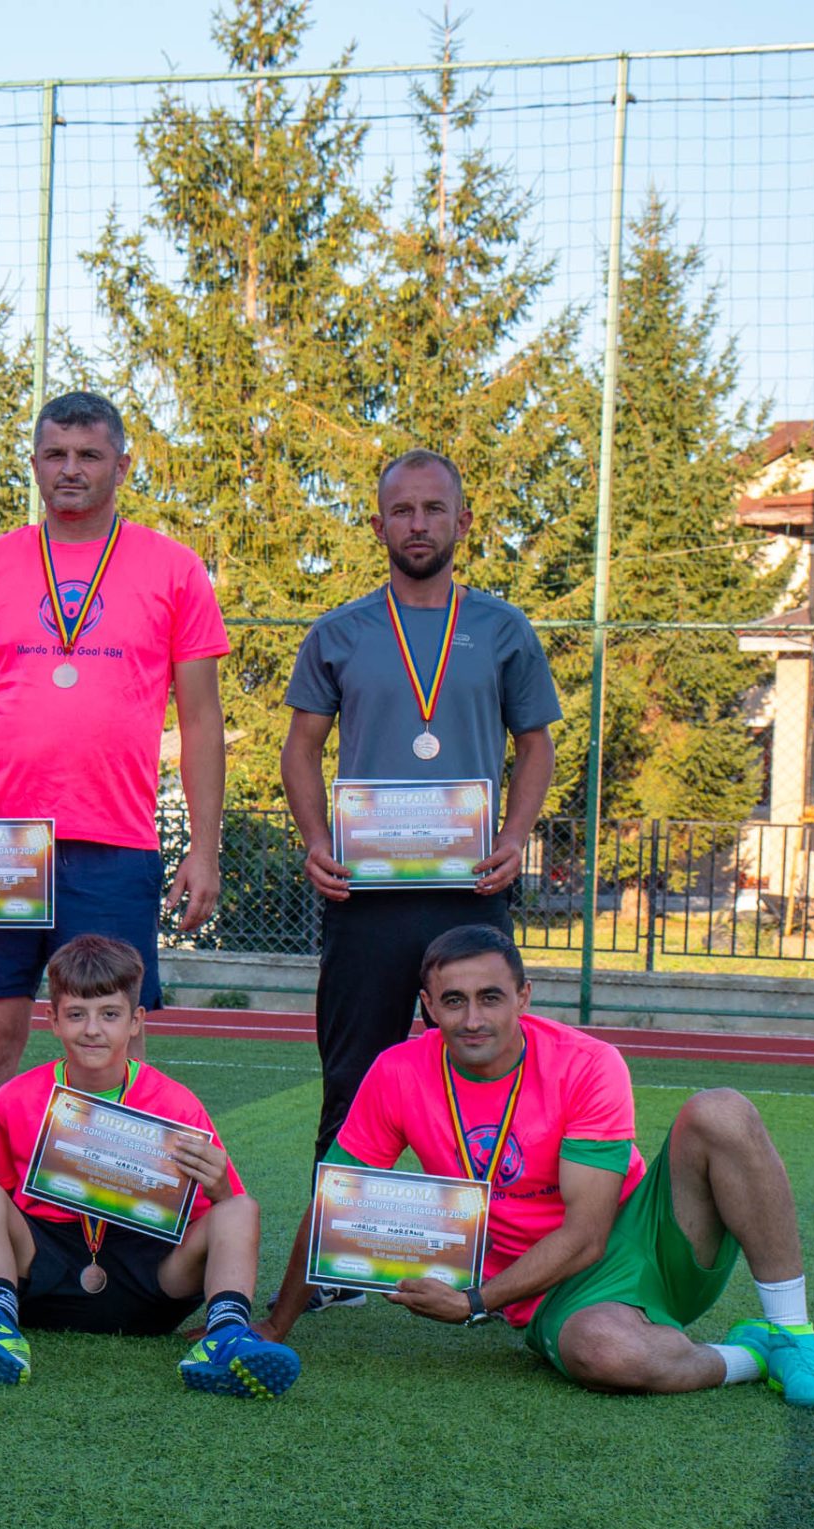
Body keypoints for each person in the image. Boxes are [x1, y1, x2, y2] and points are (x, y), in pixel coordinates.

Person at [258, 926, 814, 1406]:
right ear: (428, 1005)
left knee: (721, 1110)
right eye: (453, 1001)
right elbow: (337, 1205)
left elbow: (588, 1234)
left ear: (523, 997)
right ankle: (758, 1354)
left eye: (490, 998)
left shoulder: (586, 1062)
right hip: (553, 1291)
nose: (473, 1019)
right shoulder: (398, 1071)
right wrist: (277, 1325)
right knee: (606, 1353)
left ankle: (795, 1333)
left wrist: (473, 1302)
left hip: (647, 1240)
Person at [281, 449, 561, 1309]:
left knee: (484, 1069)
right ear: (378, 526)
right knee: (353, 1075)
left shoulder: (504, 629)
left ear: (462, 522)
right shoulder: (339, 632)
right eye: (401, 510)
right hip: (363, 897)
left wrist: (514, 838)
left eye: (434, 509)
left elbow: (537, 746)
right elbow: (301, 749)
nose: (418, 524)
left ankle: (497, 1256)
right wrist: (317, 841)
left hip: (470, 895)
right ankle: (335, 1266)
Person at [0, 390, 230, 1179]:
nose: (70, 469)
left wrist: (203, 847)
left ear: (121, 467)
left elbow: (201, 720)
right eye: (55, 454)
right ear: (34, 464)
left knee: (112, 1047)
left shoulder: (173, 569)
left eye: (89, 455)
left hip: (115, 844)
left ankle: (105, 1220)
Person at [0, 935, 300, 1400]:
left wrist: (219, 1188)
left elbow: (222, 1216)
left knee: (241, 1208)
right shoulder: (14, 1098)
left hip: (150, 1278)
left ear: (136, 1021)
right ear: (52, 1020)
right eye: (76, 1014)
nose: (92, 1029)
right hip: (46, 1275)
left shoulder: (177, 1105)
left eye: (109, 1014)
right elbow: (4, 1202)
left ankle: (226, 1339)